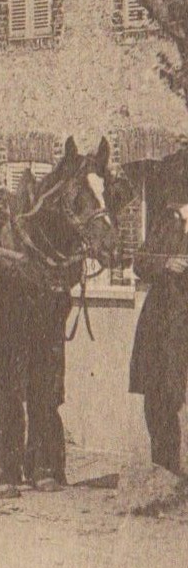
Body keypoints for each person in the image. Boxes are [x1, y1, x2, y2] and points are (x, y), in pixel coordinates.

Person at [131, 201, 188, 476]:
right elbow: (139, 263)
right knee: (156, 395)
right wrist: (165, 262)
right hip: (159, 321)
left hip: (183, 322)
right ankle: (162, 471)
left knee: (177, 393)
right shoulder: (167, 220)